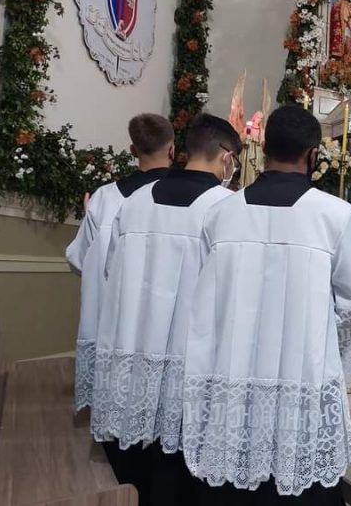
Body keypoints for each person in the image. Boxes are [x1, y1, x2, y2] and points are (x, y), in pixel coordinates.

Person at [182, 105, 351, 504]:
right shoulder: (338, 215)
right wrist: (337, 372)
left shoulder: (220, 213)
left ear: (262, 147)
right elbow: (349, 308)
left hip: (232, 374)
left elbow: (204, 301)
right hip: (302, 376)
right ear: (314, 154)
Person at [91, 113, 241, 504]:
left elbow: (111, 272)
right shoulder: (227, 208)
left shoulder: (134, 201)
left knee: (136, 467)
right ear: (226, 158)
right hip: (191, 364)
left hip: (136, 352)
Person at [66, 113, 174, 412]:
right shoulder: (183, 198)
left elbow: (79, 260)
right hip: (162, 325)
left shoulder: (104, 198)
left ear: (132, 151)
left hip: (111, 323)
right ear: (173, 150)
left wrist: (89, 215)